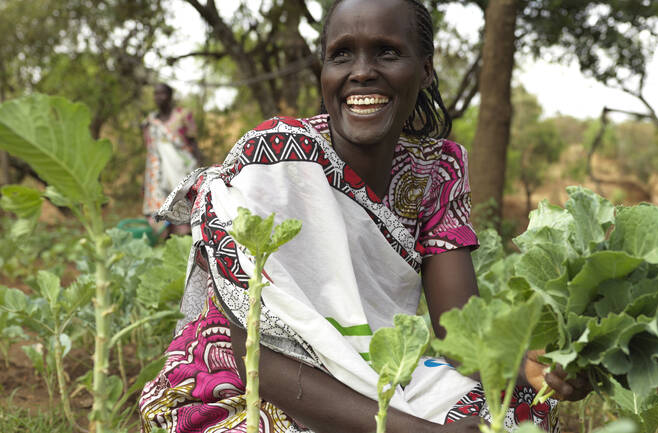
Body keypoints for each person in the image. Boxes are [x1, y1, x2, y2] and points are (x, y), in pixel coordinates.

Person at [139, 1, 587, 432]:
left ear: (425, 69)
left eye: (387, 52)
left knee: (514, 407)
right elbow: (257, 354)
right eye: (341, 55)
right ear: (325, 73)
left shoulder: (437, 172)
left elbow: (457, 335)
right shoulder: (275, 159)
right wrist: (414, 432)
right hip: (246, 388)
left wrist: (528, 365)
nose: (361, 71)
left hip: (376, 373)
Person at [141, 83, 200, 236]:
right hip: (158, 175)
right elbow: (151, 152)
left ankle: (186, 246)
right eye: (156, 94)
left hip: (181, 171)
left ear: (170, 96)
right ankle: (166, 244)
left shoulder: (183, 115)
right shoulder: (151, 122)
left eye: (162, 93)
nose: (158, 97)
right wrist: (144, 181)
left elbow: (193, 143)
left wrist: (200, 170)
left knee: (182, 209)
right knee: (161, 211)